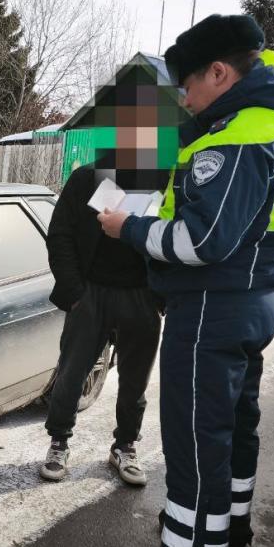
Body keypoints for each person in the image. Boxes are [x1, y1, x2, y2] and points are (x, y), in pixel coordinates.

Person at [98, 14, 274, 547]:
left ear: (220, 72)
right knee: (235, 427)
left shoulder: (241, 134)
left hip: (214, 308)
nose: (185, 99)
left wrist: (131, 228)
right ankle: (229, 536)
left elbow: (201, 242)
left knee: (197, 442)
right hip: (259, 296)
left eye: (189, 85)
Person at [40, 68, 179, 486]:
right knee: (71, 375)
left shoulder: (168, 181)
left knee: (134, 383)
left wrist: (162, 296)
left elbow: (175, 238)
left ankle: (125, 447)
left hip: (141, 296)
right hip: (92, 295)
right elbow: (60, 234)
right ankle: (59, 443)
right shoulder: (89, 178)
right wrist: (74, 290)